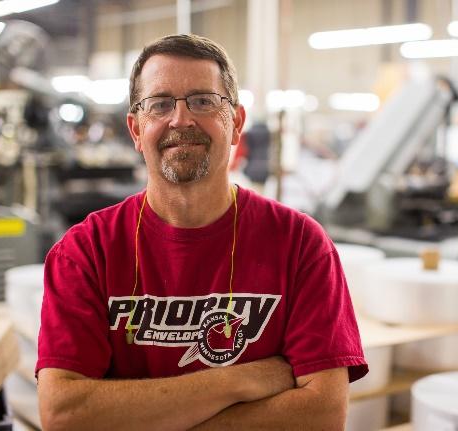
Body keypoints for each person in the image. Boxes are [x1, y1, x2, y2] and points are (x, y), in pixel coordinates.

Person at [36, 34, 368, 430]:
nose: (181, 119)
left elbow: (323, 414)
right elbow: (65, 413)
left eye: (203, 101)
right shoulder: (86, 251)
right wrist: (239, 380)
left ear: (236, 123)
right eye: (159, 104)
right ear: (136, 129)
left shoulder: (301, 245)